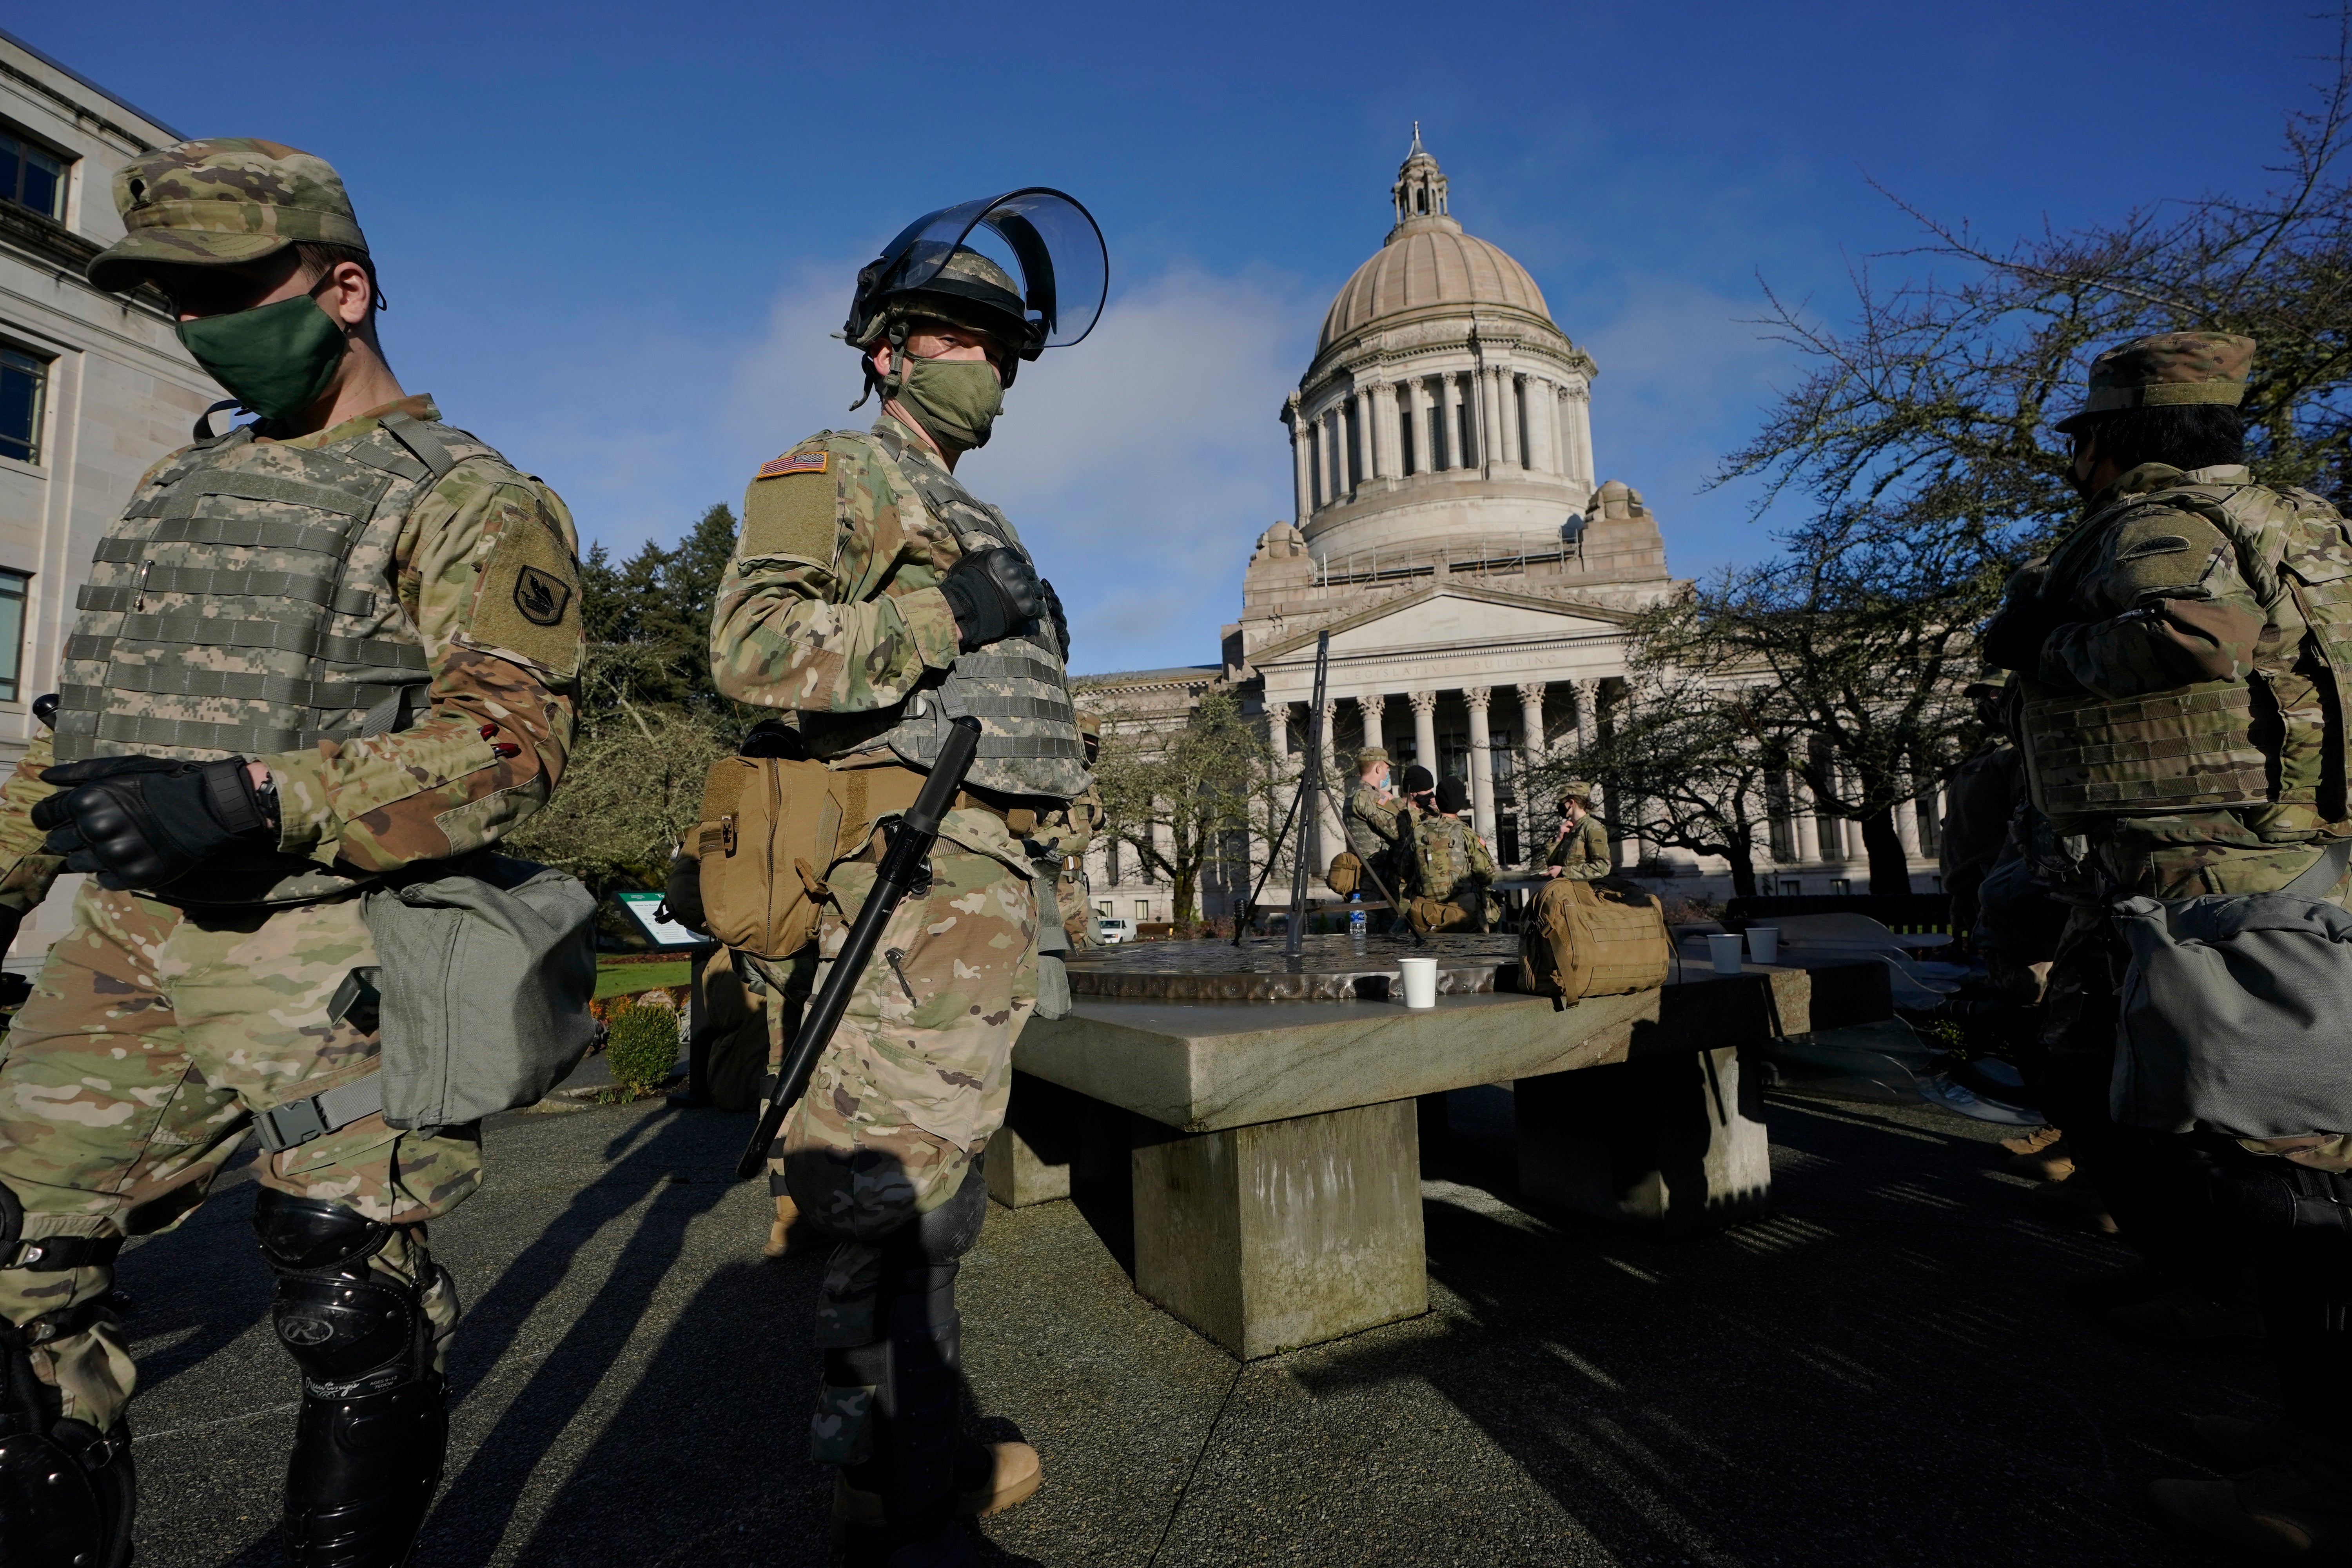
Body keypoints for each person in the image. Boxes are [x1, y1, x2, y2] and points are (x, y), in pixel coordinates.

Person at [0, 139, 585, 1568]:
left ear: (344, 287)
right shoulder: (176, 494)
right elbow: (71, 745)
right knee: (16, 1269)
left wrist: (263, 796)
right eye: (172, 299)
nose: (198, 324)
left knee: (349, 1304)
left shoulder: (465, 492)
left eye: (223, 288)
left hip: (330, 952)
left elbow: (509, 741)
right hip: (123, 944)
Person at [708, 190, 1105, 1567]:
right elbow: (753, 652)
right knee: (897, 1212)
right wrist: (946, 613)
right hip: (907, 885)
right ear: (888, 349)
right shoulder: (838, 471)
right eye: (959, 336)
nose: (987, 363)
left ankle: (899, 1462)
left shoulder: (972, 507)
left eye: (1003, 347)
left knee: (932, 1200)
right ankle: (893, 1486)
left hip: (980, 896)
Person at [1980, 330, 2352, 1554]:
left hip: (2221, 877)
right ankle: (2277, 1387)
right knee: (2157, 1102)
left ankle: (2320, 1476)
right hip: (2267, 869)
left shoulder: (2165, 527)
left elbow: (2194, 638)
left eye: (2079, 438)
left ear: (2115, 440)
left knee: (2289, 1176)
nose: (2071, 460)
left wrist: (2042, 646)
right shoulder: (2301, 517)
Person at [1408, 777, 1498, 933]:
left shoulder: (1419, 831)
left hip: (1425, 916)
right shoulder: (1467, 834)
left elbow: (1405, 869)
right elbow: (1487, 875)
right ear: (1461, 803)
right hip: (1461, 915)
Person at [1344, 747, 1404, 919]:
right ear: (1378, 768)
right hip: (1373, 875)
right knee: (1373, 930)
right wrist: (1397, 803)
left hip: (1363, 872)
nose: (1386, 773)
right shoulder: (1368, 796)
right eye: (1386, 769)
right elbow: (1396, 832)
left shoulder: (1353, 793)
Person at [1545, 783, 1610, 880]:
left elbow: (1602, 868)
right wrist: (1558, 840)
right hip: (1567, 889)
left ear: (1571, 803)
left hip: (1585, 890)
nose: (1559, 806)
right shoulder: (1570, 829)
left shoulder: (1592, 827)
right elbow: (1553, 865)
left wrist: (1564, 871)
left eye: (1562, 802)